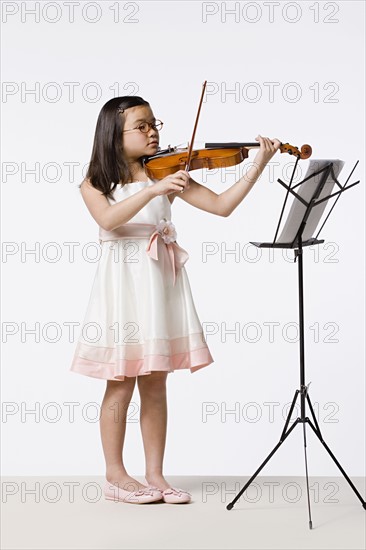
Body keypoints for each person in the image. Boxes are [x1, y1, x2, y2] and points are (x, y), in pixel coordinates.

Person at [70, 95, 281, 504]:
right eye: (142, 126)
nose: (153, 132)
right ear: (114, 135)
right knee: (120, 382)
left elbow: (220, 207)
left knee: (155, 382)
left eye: (155, 124)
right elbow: (109, 220)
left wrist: (257, 165)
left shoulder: (168, 171)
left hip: (159, 281)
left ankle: (155, 474)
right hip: (123, 287)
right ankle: (115, 475)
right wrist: (155, 191)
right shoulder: (96, 183)